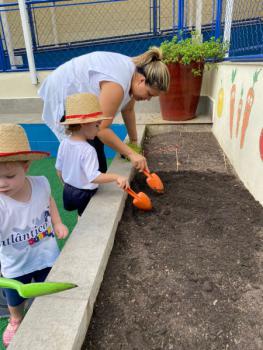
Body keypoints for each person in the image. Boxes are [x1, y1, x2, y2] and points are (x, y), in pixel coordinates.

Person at [38, 47, 170, 173]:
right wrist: (131, 154)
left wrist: (134, 142)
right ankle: (73, 186)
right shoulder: (117, 84)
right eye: (149, 94)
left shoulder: (134, 75)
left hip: (84, 101)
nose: (147, 99)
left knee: (94, 146)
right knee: (81, 148)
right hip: (63, 91)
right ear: (141, 81)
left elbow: (128, 110)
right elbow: (101, 128)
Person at [0, 124, 68, 347]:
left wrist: (57, 222)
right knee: (14, 299)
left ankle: (47, 316)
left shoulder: (41, 183)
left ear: (26, 166)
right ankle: (16, 319)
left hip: (45, 255)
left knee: (47, 291)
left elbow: (48, 201)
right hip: (15, 264)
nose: (2, 184)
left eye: (9, 176)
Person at [55, 93, 129, 216]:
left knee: (79, 215)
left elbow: (59, 169)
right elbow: (94, 177)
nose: (99, 129)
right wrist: (117, 177)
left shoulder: (64, 143)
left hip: (68, 190)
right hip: (84, 194)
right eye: (97, 125)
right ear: (84, 124)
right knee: (86, 216)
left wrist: (66, 184)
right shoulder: (88, 150)